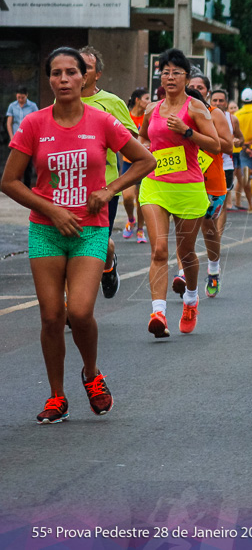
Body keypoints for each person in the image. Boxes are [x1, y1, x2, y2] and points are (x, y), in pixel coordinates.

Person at [1, 47, 155, 423]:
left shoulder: (101, 121)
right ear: (49, 79)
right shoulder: (34, 124)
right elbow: (9, 182)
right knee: (52, 317)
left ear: (86, 77)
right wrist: (51, 209)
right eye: (57, 73)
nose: (65, 79)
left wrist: (108, 191)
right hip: (45, 231)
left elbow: (145, 160)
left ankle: (91, 374)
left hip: (90, 230)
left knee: (81, 312)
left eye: (73, 71)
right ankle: (57, 397)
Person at [138, 50, 222, 337]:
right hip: (156, 183)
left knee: (185, 253)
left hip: (188, 187)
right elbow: (143, 138)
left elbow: (215, 146)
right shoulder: (151, 108)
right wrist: (144, 150)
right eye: (165, 72)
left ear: (186, 77)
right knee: (159, 250)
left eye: (176, 72)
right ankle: (158, 312)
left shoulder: (196, 109)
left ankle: (191, 299)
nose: (169, 77)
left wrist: (188, 132)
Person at [79, 46, 140, 300]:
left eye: (87, 67)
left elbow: (132, 139)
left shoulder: (111, 102)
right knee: (74, 245)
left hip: (105, 186)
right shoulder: (61, 101)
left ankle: (108, 262)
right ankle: (74, 302)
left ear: (98, 74)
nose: (80, 72)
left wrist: (100, 139)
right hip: (69, 186)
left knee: (97, 243)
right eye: (75, 67)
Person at [170, 73, 234, 298]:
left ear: (207, 90)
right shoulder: (174, 112)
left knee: (209, 229)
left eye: (200, 86)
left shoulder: (214, 114)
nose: (195, 89)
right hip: (183, 179)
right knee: (182, 230)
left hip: (211, 182)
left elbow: (227, 147)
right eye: (192, 86)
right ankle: (182, 273)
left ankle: (214, 269)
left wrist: (195, 135)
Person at [121, 87, 150, 244]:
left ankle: (140, 229)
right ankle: (130, 219)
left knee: (141, 199)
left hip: (144, 163)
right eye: (146, 98)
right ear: (137, 100)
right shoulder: (126, 116)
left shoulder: (148, 117)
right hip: (128, 163)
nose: (149, 101)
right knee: (127, 197)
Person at [6, 88, 39, 187]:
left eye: (22, 97)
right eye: (19, 97)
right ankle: (15, 186)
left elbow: (36, 121)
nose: (20, 99)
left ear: (27, 95)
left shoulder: (32, 106)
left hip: (28, 138)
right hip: (16, 138)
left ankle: (27, 186)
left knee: (27, 165)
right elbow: (9, 122)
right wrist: (11, 137)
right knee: (15, 164)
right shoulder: (12, 106)